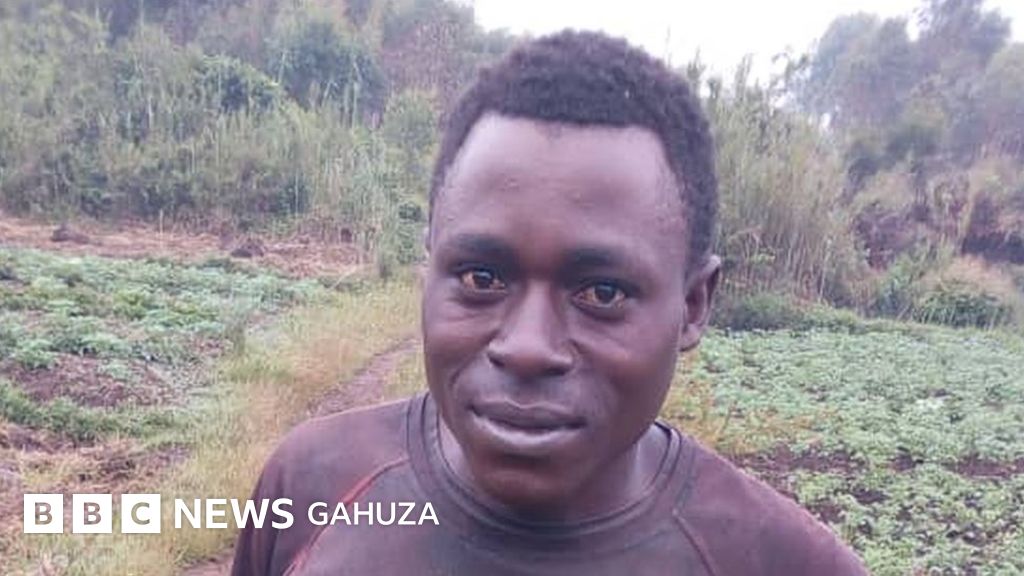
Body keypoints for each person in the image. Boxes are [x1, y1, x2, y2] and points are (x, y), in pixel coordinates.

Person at [231, 30, 868, 576]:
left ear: (694, 304)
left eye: (602, 293)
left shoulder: (780, 561)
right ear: (429, 269)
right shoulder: (311, 483)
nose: (528, 348)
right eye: (481, 278)